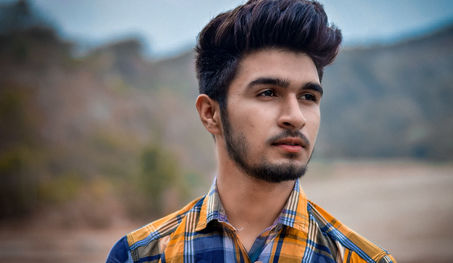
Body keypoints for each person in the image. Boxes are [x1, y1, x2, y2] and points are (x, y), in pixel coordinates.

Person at [107, 0, 396, 262]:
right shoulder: (142, 256)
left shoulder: (359, 259)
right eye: (269, 93)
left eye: (308, 97)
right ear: (211, 113)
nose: (296, 117)